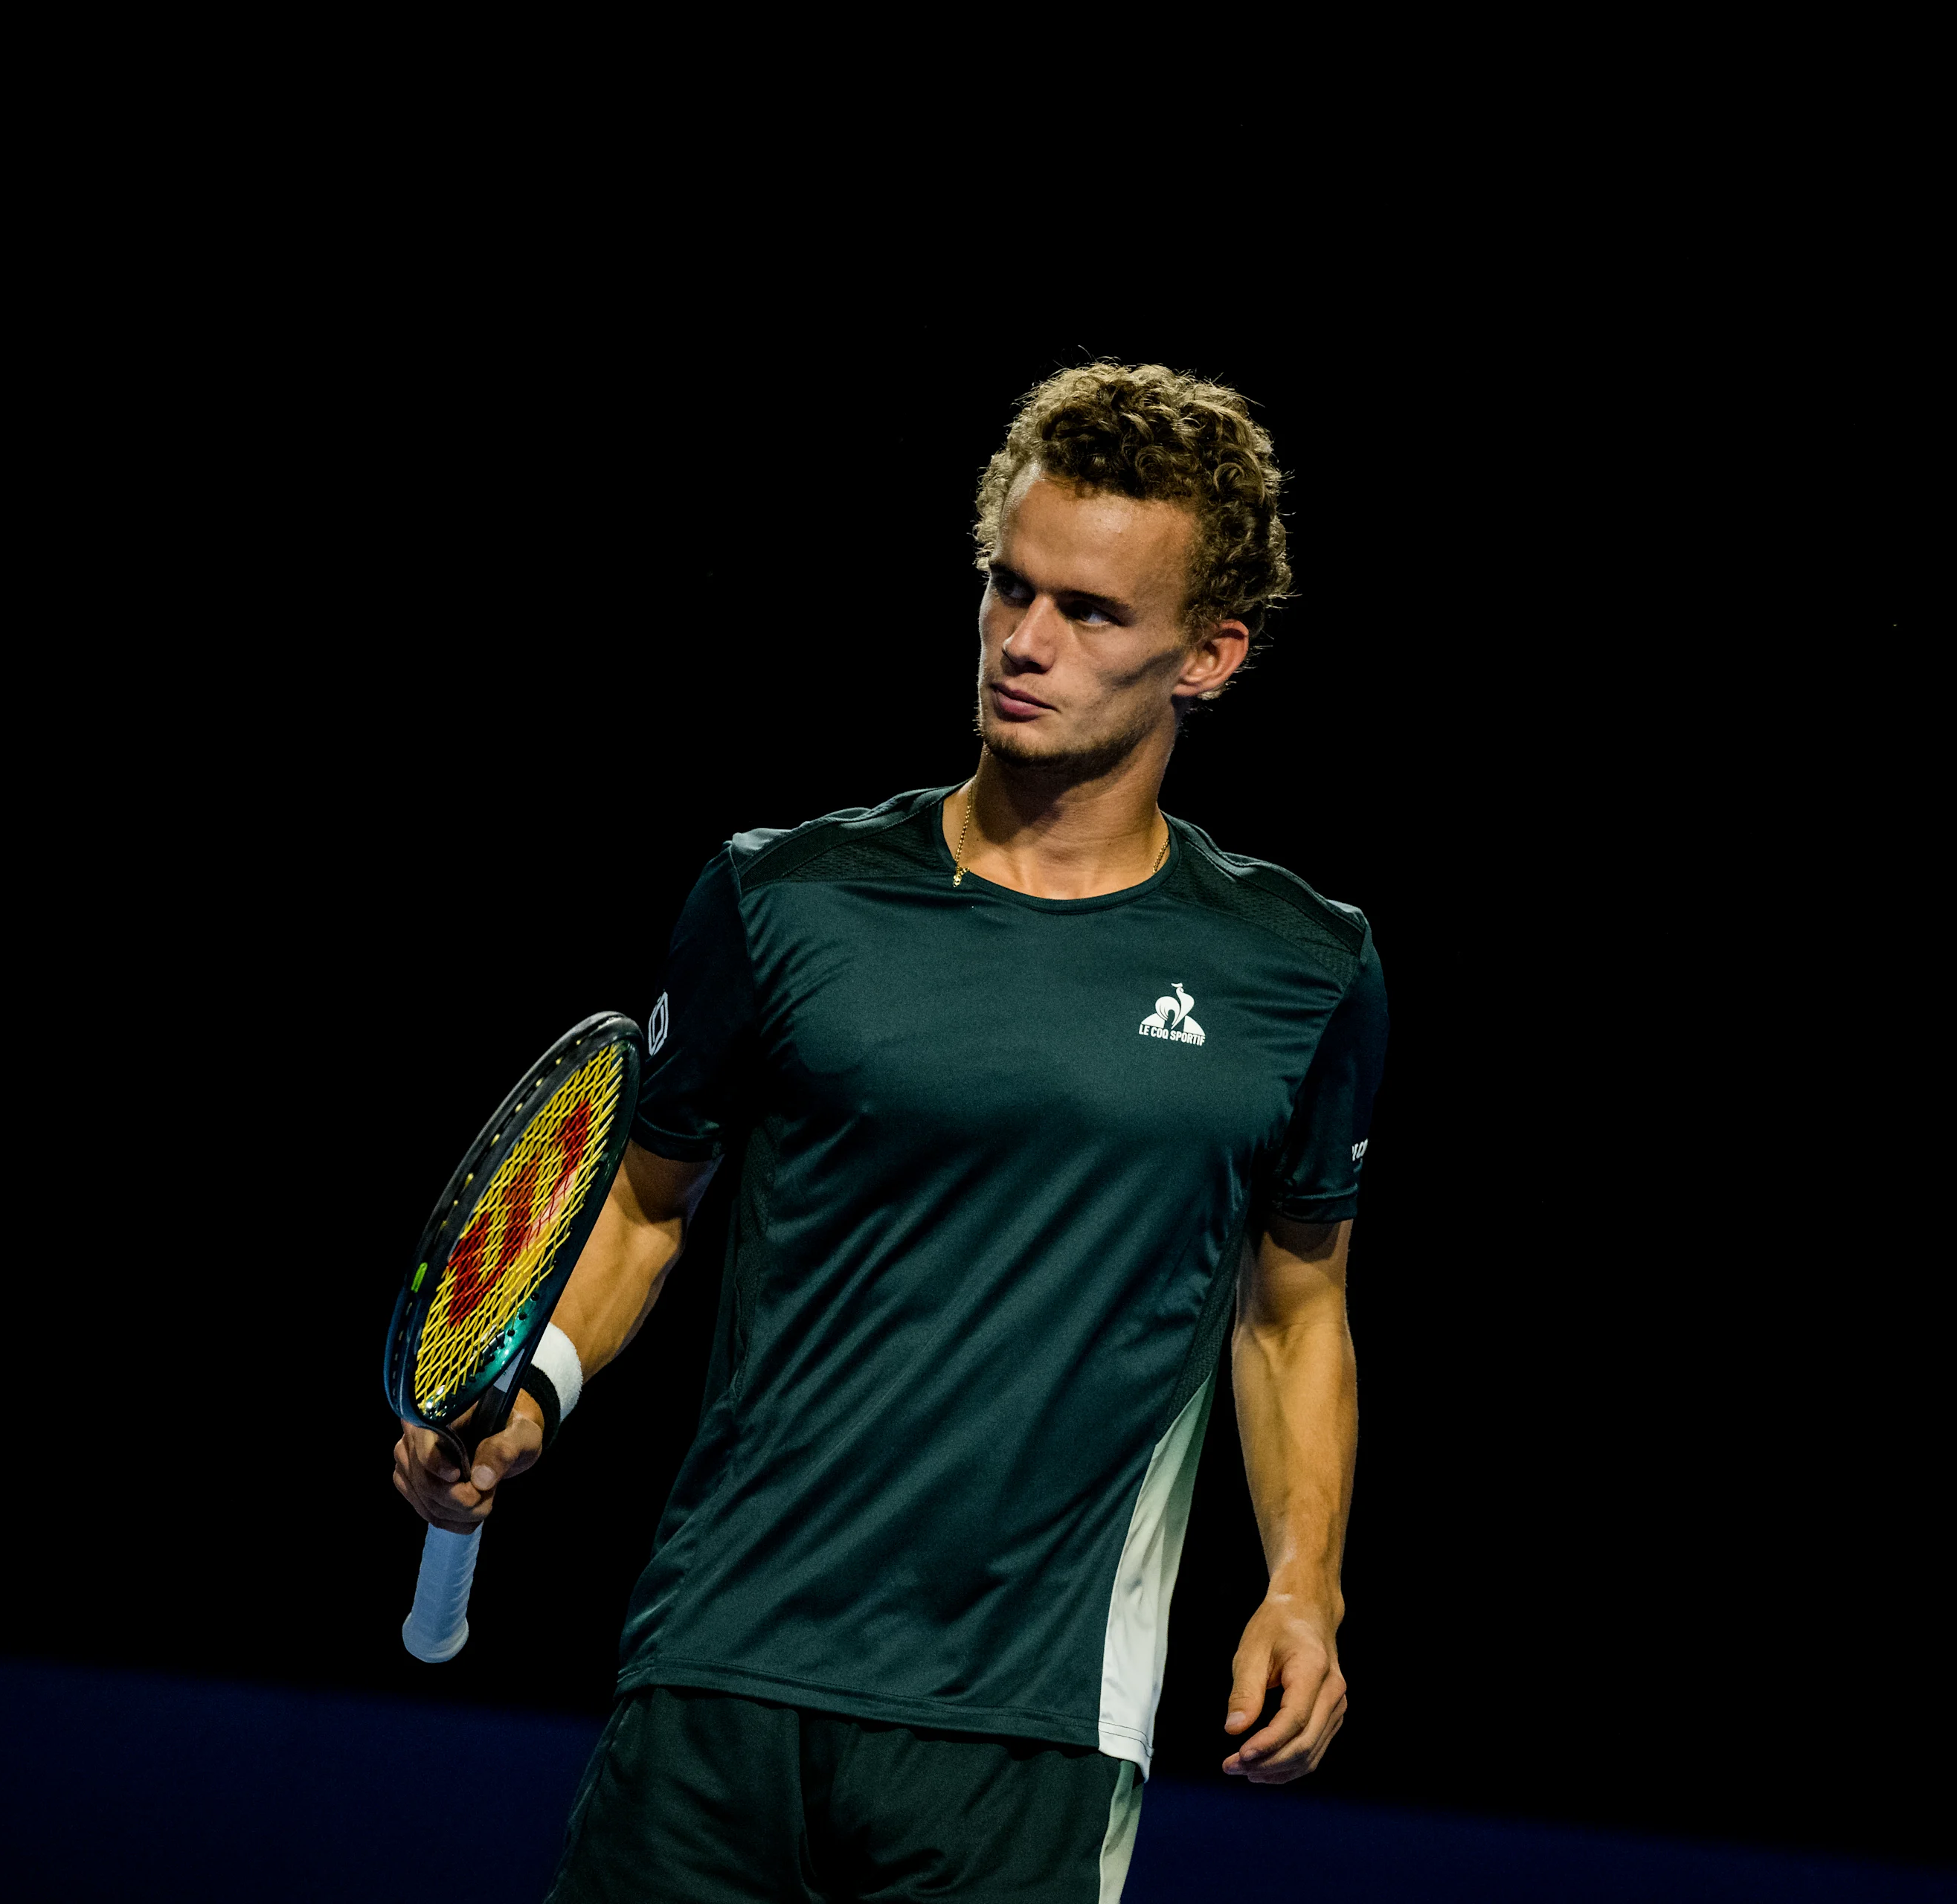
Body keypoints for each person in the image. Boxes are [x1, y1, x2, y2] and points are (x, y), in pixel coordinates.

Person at [391, 362, 1386, 1903]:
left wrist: (1304, 1587)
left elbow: (1292, 1302)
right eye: (1009, 588)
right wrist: (535, 1390)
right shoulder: (781, 895)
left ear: (1212, 653)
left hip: (1028, 1728)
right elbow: (650, 1205)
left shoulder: (1302, 966)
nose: (1025, 642)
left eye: (1091, 613)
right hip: (720, 1672)